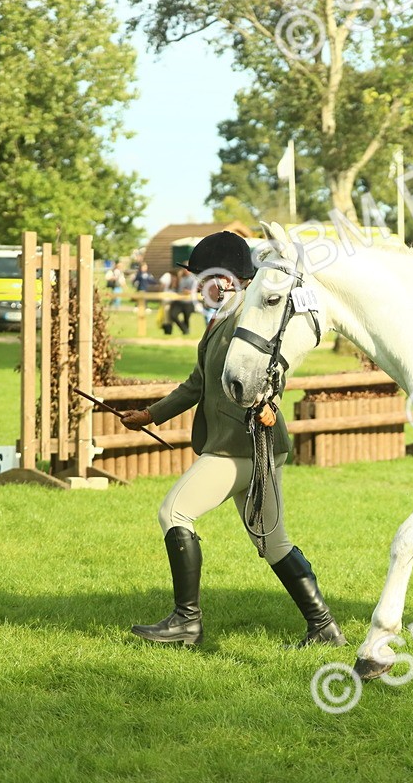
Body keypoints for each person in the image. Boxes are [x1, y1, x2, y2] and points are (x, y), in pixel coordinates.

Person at [118, 232, 345, 649]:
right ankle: (324, 627)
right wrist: (150, 415)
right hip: (259, 448)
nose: (195, 285)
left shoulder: (247, 316)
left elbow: (269, 366)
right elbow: (196, 385)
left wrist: (270, 401)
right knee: (274, 543)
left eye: (201, 277)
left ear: (224, 279)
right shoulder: (224, 316)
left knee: (174, 512)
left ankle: (186, 623)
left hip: (238, 446)